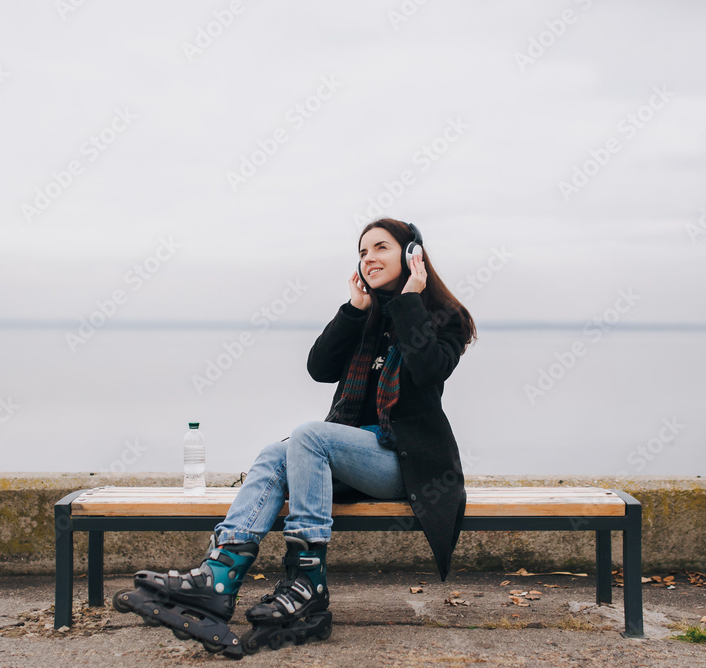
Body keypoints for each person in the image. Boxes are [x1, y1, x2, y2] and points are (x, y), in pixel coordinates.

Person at [119, 218, 478, 656]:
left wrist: (409, 303)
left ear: (411, 256)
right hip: (353, 454)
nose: (368, 259)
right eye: (362, 252)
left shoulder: (446, 318)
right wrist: (353, 309)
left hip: (405, 465)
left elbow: (426, 370)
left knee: (308, 435)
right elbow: (319, 368)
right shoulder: (368, 317)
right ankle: (219, 576)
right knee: (276, 452)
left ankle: (307, 581)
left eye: (380, 248)